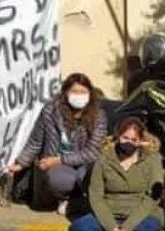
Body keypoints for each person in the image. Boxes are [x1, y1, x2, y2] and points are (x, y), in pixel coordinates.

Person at [8, 73, 108, 215]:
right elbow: (36, 141)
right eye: (74, 91)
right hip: (57, 167)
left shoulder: (99, 116)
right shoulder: (50, 111)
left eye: (83, 92)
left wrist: (59, 159)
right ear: (65, 92)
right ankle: (69, 200)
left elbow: (92, 152)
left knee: (88, 177)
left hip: (84, 165)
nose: (79, 95)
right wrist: (20, 163)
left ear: (90, 94)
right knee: (57, 179)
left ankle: (77, 203)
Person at [67, 117, 164, 231]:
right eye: (125, 138)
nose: (129, 142)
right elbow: (96, 195)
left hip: (140, 216)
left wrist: (127, 228)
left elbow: (154, 196)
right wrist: (111, 228)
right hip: (109, 213)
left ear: (140, 141)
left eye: (133, 139)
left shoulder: (152, 159)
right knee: (77, 230)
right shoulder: (104, 159)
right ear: (118, 136)